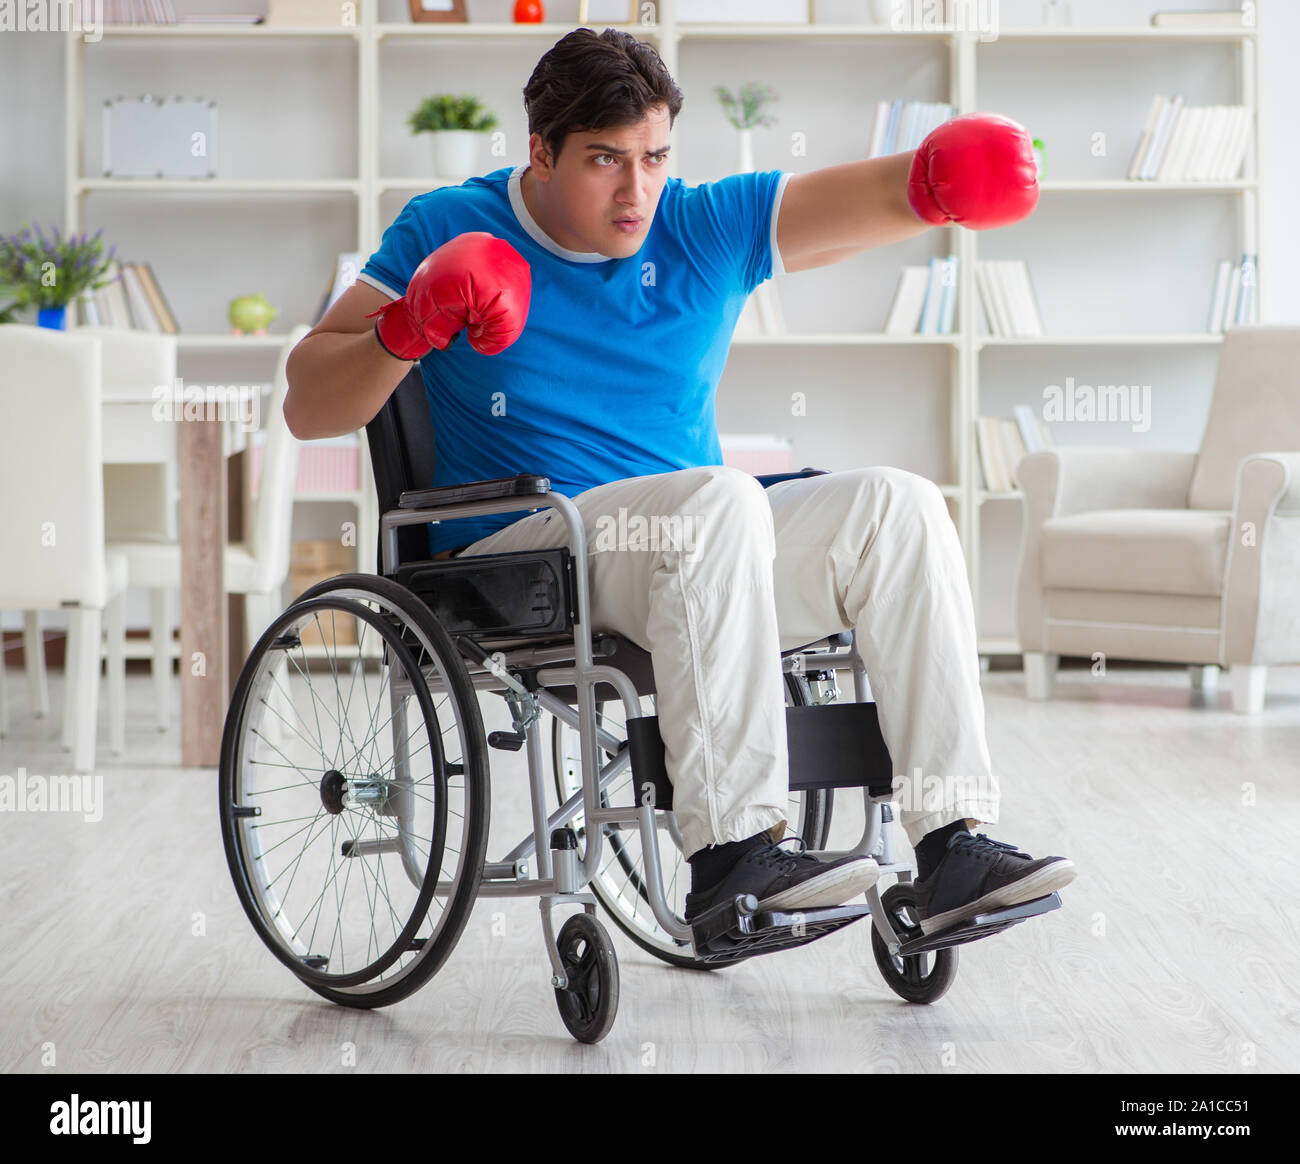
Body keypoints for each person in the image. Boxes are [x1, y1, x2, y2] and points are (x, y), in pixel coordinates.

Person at [284, 27, 1075, 936]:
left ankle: (952, 847)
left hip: (702, 549)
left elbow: (863, 196)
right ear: (539, 152)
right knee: (720, 498)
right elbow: (309, 402)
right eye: (605, 161)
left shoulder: (700, 228)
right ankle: (734, 858)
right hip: (526, 551)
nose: (637, 192)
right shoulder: (448, 224)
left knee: (899, 505)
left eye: (655, 157)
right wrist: (408, 326)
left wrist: (936, 186)